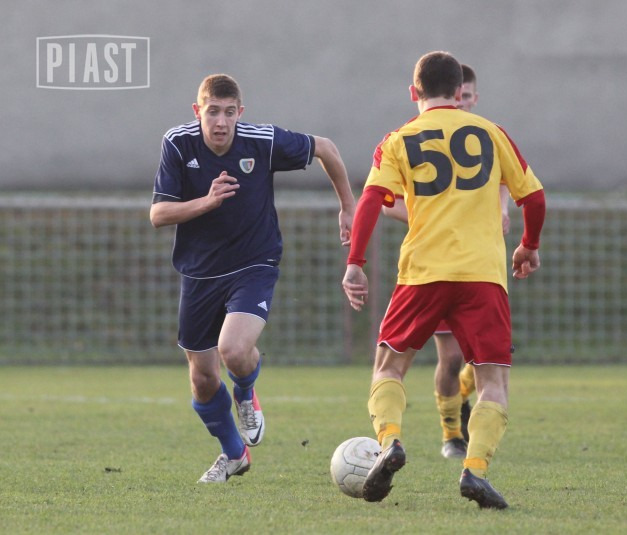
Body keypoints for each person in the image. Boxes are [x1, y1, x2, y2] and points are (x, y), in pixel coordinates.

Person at [342, 51, 545, 508]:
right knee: (493, 382)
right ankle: (475, 470)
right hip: (483, 276)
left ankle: (390, 439)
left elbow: (372, 200)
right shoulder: (492, 133)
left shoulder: (398, 139)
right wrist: (529, 245)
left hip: (423, 274)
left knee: (388, 367)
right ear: (459, 92)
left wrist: (355, 261)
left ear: (413, 92)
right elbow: (534, 197)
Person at [151, 74, 355, 483]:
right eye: (212, 112)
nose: (221, 122)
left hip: (254, 263)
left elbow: (326, 148)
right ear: (197, 111)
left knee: (234, 349)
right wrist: (207, 202)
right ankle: (234, 455)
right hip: (199, 272)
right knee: (202, 378)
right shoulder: (178, 143)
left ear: (240, 113)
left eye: (229, 113)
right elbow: (158, 214)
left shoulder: (261, 141)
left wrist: (348, 207)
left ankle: (245, 394)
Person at [382, 64, 512, 460]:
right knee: (451, 358)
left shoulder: (485, 141)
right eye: (462, 96)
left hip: (479, 263)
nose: (464, 102)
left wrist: (501, 212)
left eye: (469, 97)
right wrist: (439, 219)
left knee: (486, 361)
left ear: (472, 98)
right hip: (435, 264)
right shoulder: (419, 138)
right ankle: (452, 434)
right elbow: (388, 202)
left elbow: (507, 183)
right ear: (453, 93)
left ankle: (465, 408)